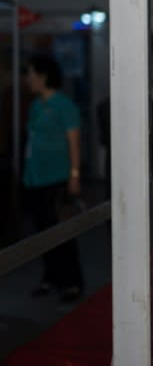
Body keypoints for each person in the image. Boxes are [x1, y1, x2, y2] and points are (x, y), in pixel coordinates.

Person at [23, 54, 84, 303]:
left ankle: (72, 283)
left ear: (42, 76)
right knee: (42, 232)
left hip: (57, 178)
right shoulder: (36, 105)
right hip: (35, 178)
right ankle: (51, 278)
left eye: (30, 73)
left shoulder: (64, 105)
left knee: (62, 233)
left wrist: (75, 175)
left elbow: (74, 143)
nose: (27, 79)